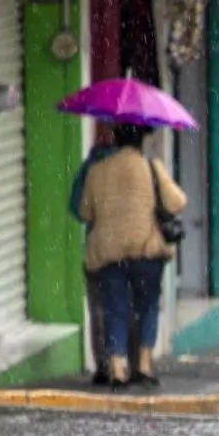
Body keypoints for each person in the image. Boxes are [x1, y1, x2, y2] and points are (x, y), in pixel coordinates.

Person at [78, 124, 186, 389]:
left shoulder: (97, 171)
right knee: (146, 306)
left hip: (109, 252)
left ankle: (117, 368)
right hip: (145, 249)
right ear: (142, 140)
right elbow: (177, 201)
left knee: (114, 308)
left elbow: (84, 212)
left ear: (115, 138)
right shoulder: (151, 167)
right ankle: (144, 365)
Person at [69, 132, 117, 384]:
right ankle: (124, 363)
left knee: (98, 308)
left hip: (97, 248)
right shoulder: (139, 164)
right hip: (128, 250)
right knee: (126, 307)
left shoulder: (91, 167)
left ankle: (104, 365)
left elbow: (78, 208)